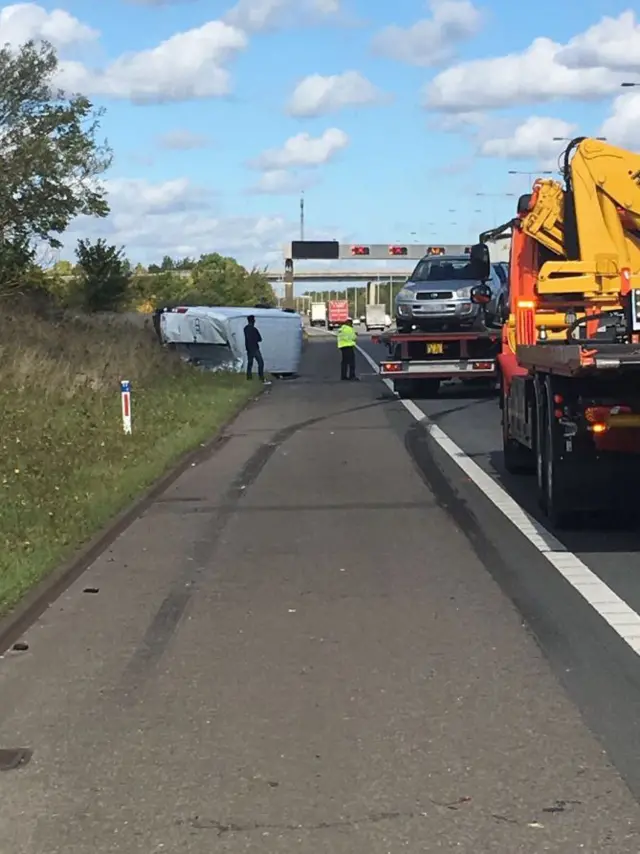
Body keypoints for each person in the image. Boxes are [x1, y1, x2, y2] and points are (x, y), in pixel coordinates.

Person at [244, 315, 270, 384]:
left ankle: (249, 377)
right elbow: (259, 339)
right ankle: (261, 377)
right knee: (260, 362)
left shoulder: (245, 329)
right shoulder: (254, 329)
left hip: (248, 348)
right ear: (253, 321)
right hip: (255, 348)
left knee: (250, 363)